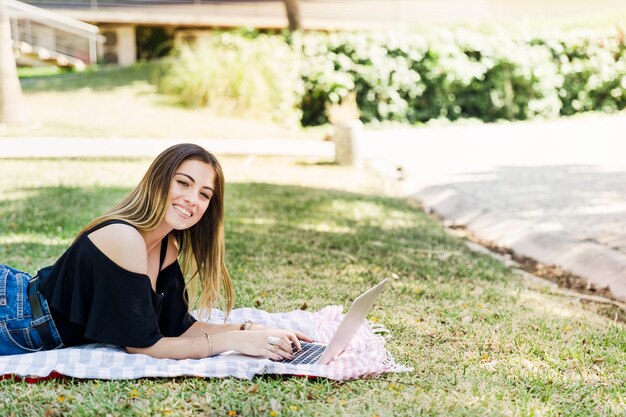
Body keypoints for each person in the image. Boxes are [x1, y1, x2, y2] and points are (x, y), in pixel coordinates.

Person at [0, 143, 312, 360]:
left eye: (204, 194)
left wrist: (254, 330)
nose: (192, 199)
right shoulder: (124, 237)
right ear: (158, 182)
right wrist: (232, 341)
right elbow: (142, 345)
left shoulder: (168, 248)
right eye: (183, 183)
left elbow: (180, 327)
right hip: (14, 317)